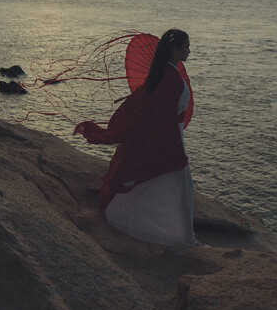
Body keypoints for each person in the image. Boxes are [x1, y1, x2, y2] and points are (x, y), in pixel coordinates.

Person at [74, 28, 198, 247]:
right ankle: (187, 238)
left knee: (166, 184)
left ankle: (185, 235)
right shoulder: (169, 77)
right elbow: (162, 115)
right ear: (174, 49)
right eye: (185, 46)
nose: (189, 51)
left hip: (171, 135)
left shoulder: (166, 73)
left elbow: (158, 110)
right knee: (180, 186)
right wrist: (172, 146)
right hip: (170, 138)